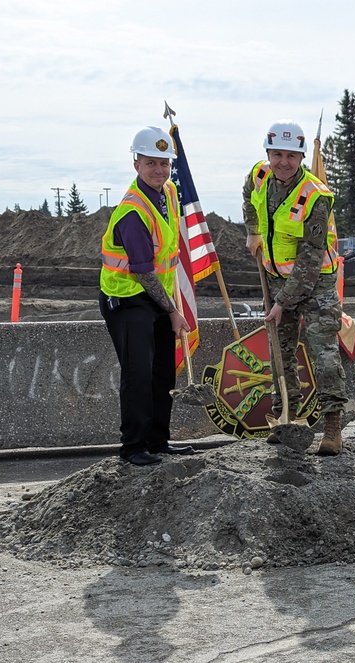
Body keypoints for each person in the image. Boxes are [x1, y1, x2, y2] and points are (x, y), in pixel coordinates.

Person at [242, 119, 347, 455]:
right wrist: (252, 230)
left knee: (323, 353)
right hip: (275, 278)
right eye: (277, 154)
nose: (283, 162)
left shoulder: (316, 197)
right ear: (268, 153)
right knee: (279, 351)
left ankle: (332, 426)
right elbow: (248, 198)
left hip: (316, 284)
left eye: (291, 155)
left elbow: (310, 259)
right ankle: (287, 413)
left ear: (301, 157)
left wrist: (282, 302)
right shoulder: (259, 176)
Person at [99, 126, 194, 466]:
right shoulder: (132, 213)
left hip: (155, 296)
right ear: (136, 163)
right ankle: (133, 448)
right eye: (151, 163)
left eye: (165, 163)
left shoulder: (168, 193)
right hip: (126, 299)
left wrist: (167, 306)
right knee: (138, 374)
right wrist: (171, 311)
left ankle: (158, 441)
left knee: (162, 373)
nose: (159, 170)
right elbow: (142, 271)